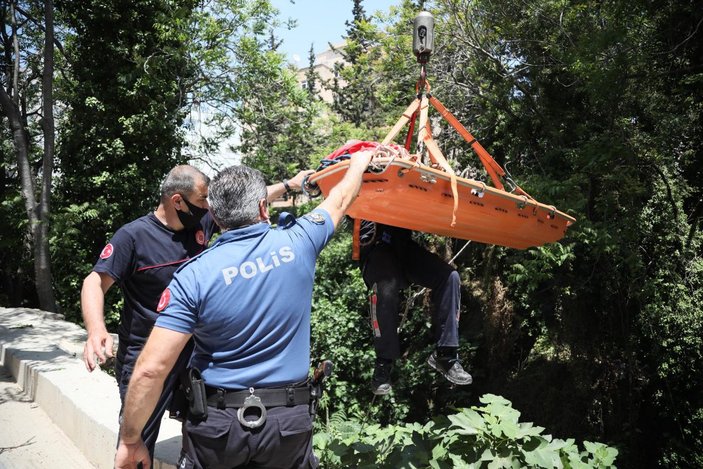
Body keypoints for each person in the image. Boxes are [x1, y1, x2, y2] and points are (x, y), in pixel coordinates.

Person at [113, 151, 374, 469]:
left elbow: (150, 369)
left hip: (218, 429)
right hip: (288, 426)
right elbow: (342, 197)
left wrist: (130, 439)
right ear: (264, 208)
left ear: (215, 216)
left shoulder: (193, 275)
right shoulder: (299, 242)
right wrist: (360, 162)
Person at [80, 164, 312, 464]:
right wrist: (96, 329)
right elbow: (94, 281)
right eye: (204, 200)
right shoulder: (134, 237)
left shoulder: (201, 221)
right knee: (137, 441)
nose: (209, 206)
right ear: (178, 201)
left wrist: (288, 184)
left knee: (199, 436)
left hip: (194, 356)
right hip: (148, 355)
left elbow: (244, 201)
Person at [358, 221, 472, 395]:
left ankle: (446, 354)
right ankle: (383, 363)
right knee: (386, 285)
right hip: (377, 249)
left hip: (403, 249)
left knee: (450, 277)